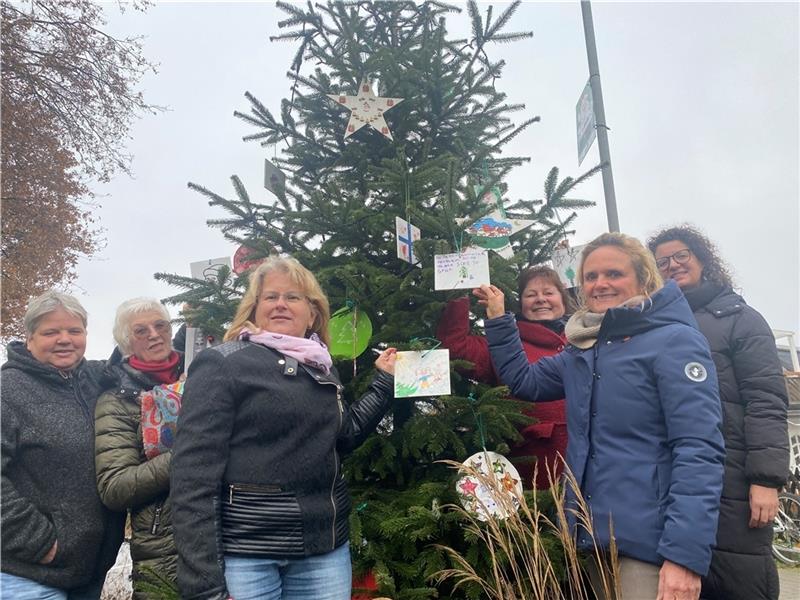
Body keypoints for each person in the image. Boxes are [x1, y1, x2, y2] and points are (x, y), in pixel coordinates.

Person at [476, 232, 725, 600]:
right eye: (590, 276)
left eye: (613, 273)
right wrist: (498, 320)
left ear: (643, 279)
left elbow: (699, 450)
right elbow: (524, 380)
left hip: (650, 549)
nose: (600, 284)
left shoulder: (674, 341)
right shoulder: (584, 350)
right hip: (592, 539)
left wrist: (684, 557)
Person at [170, 256, 397, 600]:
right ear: (254, 308)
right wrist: (203, 584)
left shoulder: (319, 366)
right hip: (248, 556)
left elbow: (344, 434)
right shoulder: (224, 363)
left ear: (313, 313)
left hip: (324, 550)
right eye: (270, 296)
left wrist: (383, 383)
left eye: (293, 297)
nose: (280, 304)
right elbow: (192, 477)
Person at [648, 225, 789, 600]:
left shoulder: (740, 318)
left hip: (736, 476)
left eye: (681, 256)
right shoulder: (654, 324)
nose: (672, 265)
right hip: (676, 473)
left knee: (738, 576)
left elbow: (765, 399)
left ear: (702, 259)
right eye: (662, 261)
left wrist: (766, 478)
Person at [1, 291, 124, 600]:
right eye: (50, 332)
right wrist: (40, 542)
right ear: (29, 338)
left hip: (89, 572)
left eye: (74, 330)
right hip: (27, 574)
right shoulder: (8, 391)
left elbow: (144, 361)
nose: (64, 339)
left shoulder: (95, 380)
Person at [436, 266, 574, 489]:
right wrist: (459, 290)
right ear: (521, 304)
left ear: (563, 300)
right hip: (533, 477)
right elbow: (455, 347)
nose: (541, 299)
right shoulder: (504, 342)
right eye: (531, 295)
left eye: (548, 293)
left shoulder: (582, 343)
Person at [94, 298, 185, 598]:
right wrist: (187, 455)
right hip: (163, 550)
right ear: (126, 342)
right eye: (141, 330)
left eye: (161, 325)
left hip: (232, 535)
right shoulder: (117, 401)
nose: (154, 334)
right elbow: (115, 486)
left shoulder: (204, 376)